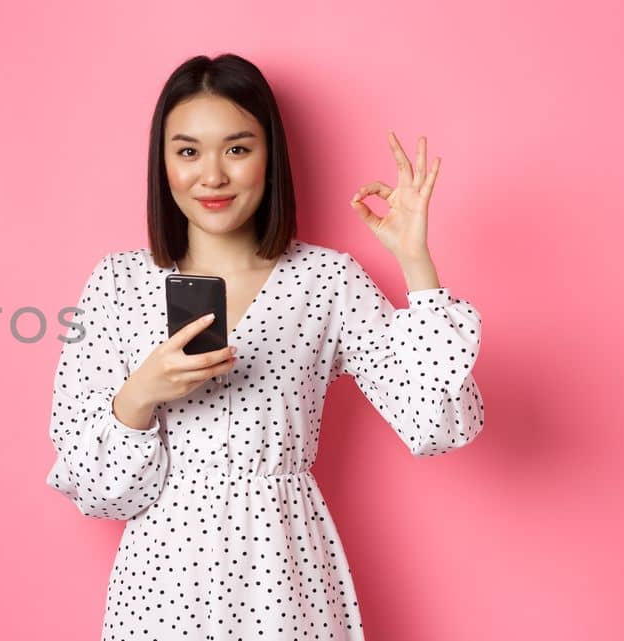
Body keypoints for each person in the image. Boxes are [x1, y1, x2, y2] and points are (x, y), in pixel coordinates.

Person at [43, 53, 485, 640]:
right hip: (161, 586)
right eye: (188, 151)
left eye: (237, 148)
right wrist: (140, 397)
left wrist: (415, 263)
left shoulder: (327, 281)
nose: (213, 176)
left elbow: (439, 425)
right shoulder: (118, 284)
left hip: (285, 577)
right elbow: (98, 491)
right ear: (163, 163)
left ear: (270, 156)